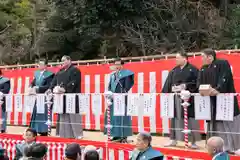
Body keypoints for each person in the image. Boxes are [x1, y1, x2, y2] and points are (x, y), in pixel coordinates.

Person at [197, 48, 240, 153]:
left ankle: (236, 147)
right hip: (212, 101)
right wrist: (201, 89)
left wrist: (218, 89)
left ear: (210, 57)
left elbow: (225, 77)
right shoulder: (203, 68)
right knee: (217, 125)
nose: (201, 59)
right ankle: (223, 147)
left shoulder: (222, 63)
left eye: (202, 56)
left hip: (225, 99)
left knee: (231, 123)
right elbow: (199, 83)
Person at [162, 52, 201, 149]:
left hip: (189, 98)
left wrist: (185, 86)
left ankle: (193, 141)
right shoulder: (174, 70)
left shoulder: (193, 69)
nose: (176, 60)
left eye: (178, 58)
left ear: (185, 59)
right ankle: (173, 139)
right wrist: (169, 90)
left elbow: (197, 82)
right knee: (175, 117)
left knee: (190, 118)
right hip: (176, 97)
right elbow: (168, 84)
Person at [48, 55, 83, 139]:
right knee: (63, 115)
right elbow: (54, 81)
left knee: (73, 115)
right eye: (62, 60)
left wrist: (64, 88)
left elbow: (74, 82)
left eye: (64, 60)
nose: (63, 62)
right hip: (61, 97)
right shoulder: (60, 71)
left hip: (72, 96)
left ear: (69, 60)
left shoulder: (75, 70)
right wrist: (50, 88)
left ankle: (77, 135)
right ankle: (65, 134)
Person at [103, 57, 134, 143]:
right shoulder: (112, 75)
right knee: (113, 118)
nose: (117, 66)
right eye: (116, 64)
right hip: (113, 99)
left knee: (122, 117)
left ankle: (123, 136)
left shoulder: (126, 74)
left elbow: (127, 87)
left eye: (119, 64)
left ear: (122, 65)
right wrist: (109, 92)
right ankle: (116, 135)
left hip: (121, 99)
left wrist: (120, 94)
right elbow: (109, 86)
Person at [29, 59, 55, 136]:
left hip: (45, 97)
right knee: (37, 112)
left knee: (44, 113)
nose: (39, 65)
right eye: (39, 64)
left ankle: (44, 130)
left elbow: (49, 85)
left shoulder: (49, 74)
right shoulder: (36, 73)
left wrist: (38, 88)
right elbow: (33, 82)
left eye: (41, 64)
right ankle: (35, 129)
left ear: (45, 66)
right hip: (38, 96)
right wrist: (31, 86)